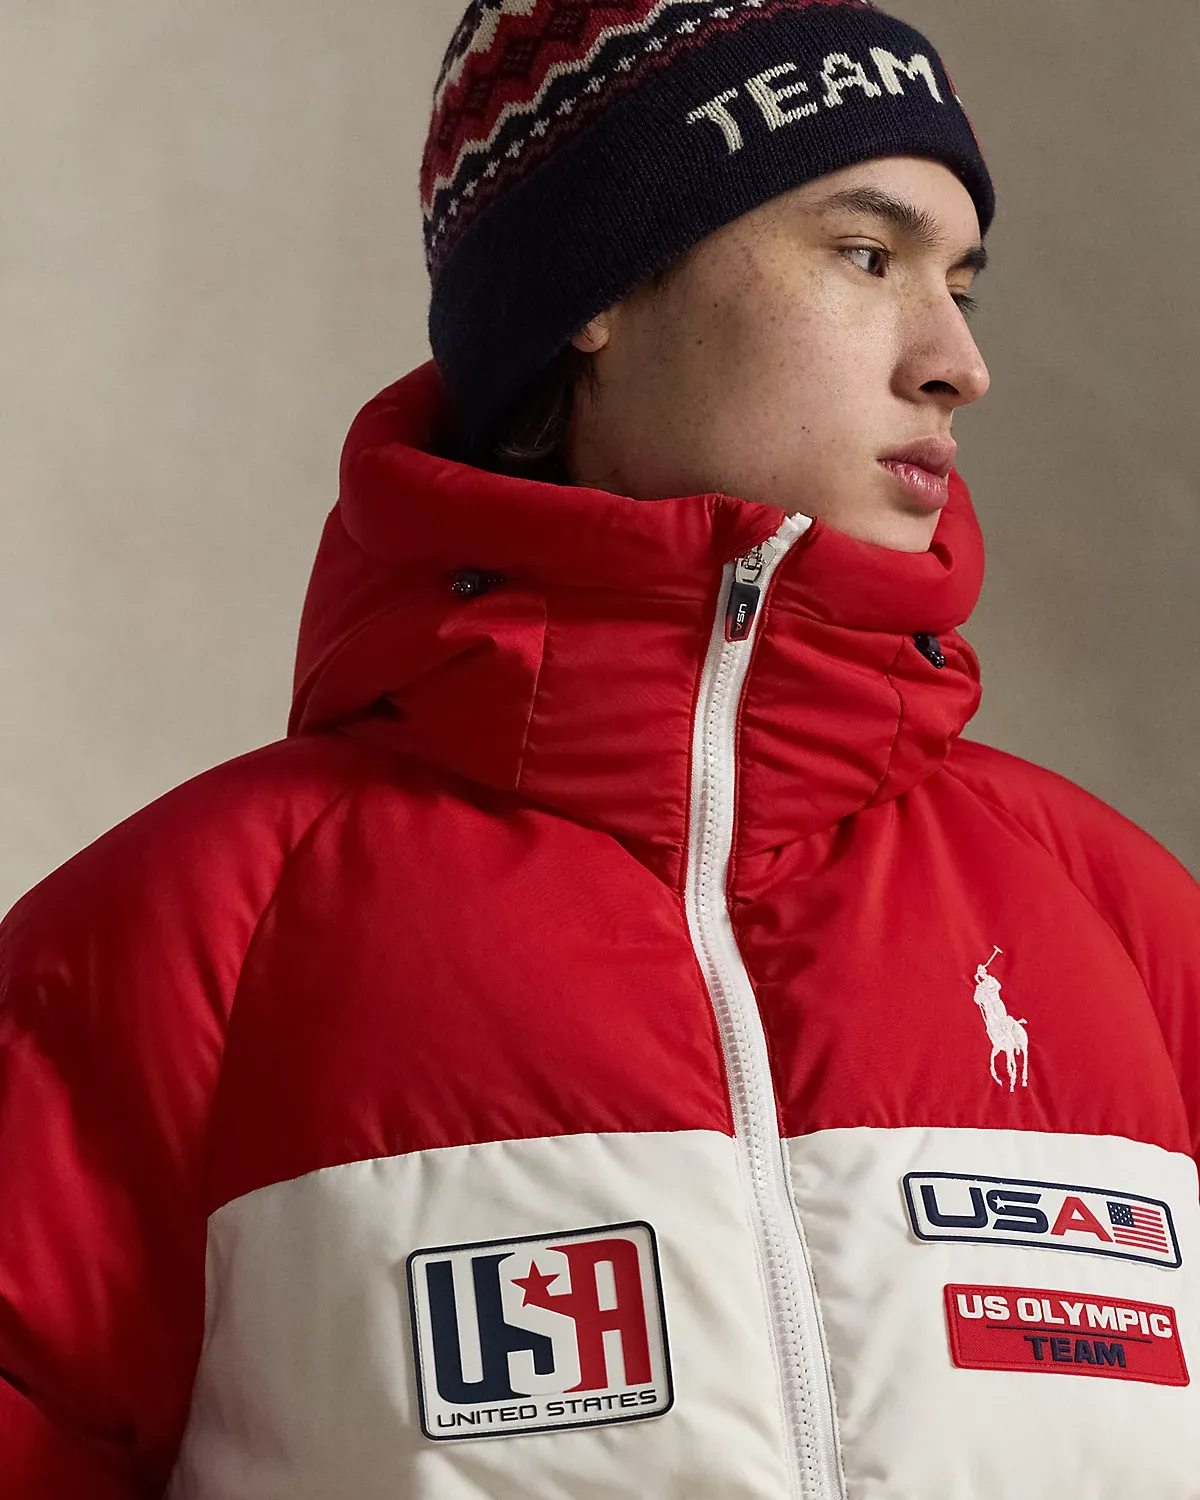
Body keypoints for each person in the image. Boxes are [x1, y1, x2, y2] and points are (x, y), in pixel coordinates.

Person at [2, 1, 1198, 1496]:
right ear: (596, 291)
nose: (958, 361)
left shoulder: (1126, 927)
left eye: (960, 285)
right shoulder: (186, 947)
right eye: (866, 255)